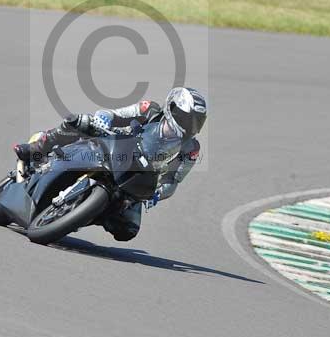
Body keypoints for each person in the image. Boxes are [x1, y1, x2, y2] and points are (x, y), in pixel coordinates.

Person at [12, 87, 207, 241]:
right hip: (116, 147)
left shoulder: (190, 149)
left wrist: (157, 194)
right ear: (172, 108)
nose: (190, 126)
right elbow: (114, 114)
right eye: (187, 119)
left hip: (138, 177)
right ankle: (37, 148)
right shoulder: (150, 110)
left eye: (196, 122)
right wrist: (102, 120)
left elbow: (174, 180)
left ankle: (79, 215)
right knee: (76, 123)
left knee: (127, 230)